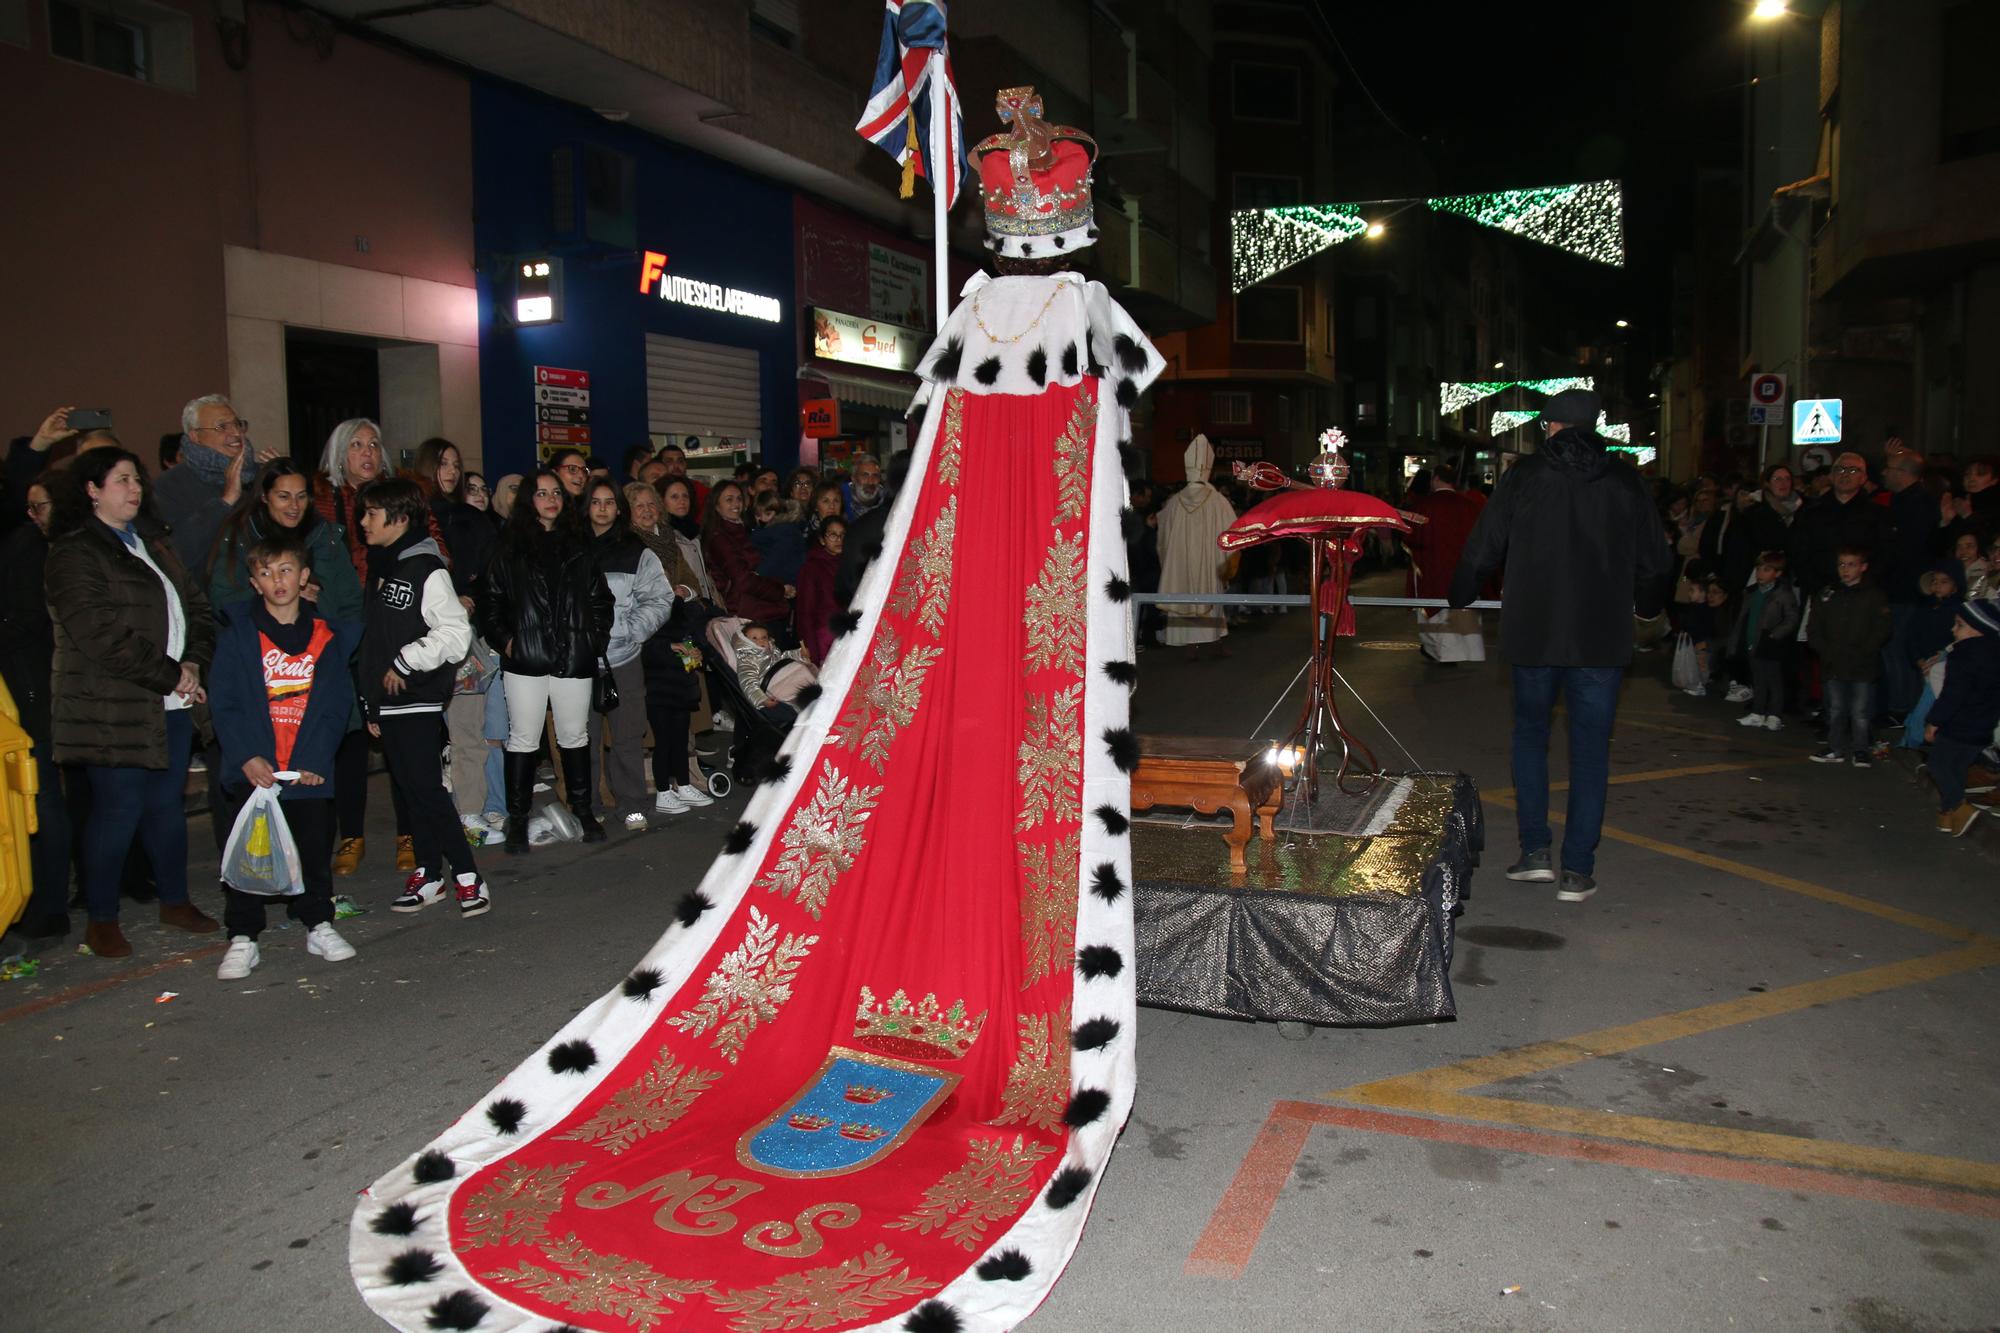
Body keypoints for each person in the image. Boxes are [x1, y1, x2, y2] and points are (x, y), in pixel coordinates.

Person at [1448, 388, 1673, 903]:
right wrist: (1646, 607)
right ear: (1594, 428)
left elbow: (1485, 543)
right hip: (1601, 635)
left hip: (1535, 631)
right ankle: (1578, 869)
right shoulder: (1624, 479)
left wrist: (1460, 591)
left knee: (1530, 737)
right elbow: (1656, 560)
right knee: (1590, 751)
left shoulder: (1525, 475)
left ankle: (1534, 853)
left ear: (1549, 426)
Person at [45, 448, 221, 957]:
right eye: (122, 479)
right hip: (112, 705)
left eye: (137, 479)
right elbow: (101, 635)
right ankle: (102, 917)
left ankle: (175, 900)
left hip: (171, 699)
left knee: (166, 806)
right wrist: (172, 674)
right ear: (92, 489)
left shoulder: (153, 542)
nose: (135, 488)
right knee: (118, 808)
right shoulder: (76, 552)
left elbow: (197, 608)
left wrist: (193, 662)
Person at [206, 534, 362, 979]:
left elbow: (336, 705)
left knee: (313, 850)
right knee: (249, 855)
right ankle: (243, 936)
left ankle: (318, 923)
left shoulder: (326, 637)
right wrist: (245, 756)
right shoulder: (239, 636)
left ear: (304, 577)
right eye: (266, 572)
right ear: (254, 583)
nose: (277, 580)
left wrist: (317, 759)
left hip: (306, 770)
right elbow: (224, 702)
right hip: (255, 771)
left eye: (286, 570)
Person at [314, 419, 444, 876]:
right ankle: (351, 835)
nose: (367, 452)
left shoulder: (402, 496)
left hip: (397, 622)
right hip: (344, 624)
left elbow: (434, 547)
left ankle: (409, 834)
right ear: (339, 454)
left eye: (373, 444)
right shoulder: (321, 498)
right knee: (352, 735)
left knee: (400, 738)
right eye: (356, 445)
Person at [355, 478, 488, 915]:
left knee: (428, 790)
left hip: (417, 695)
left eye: (372, 513)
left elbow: (454, 633)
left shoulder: (426, 567)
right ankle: (430, 874)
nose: (363, 522)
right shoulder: (383, 565)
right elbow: (374, 640)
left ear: (399, 517)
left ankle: (468, 875)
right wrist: (371, 701)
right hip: (389, 700)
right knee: (410, 791)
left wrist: (406, 662)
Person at [477, 468, 614, 852]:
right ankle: (518, 819)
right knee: (523, 738)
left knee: (575, 735)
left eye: (556, 493)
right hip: (526, 656)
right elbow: (490, 602)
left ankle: (583, 810)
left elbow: (601, 599)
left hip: (574, 654)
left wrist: (593, 639)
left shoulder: (580, 545)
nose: (551, 499)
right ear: (528, 500)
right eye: (541, 493)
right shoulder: (509, 548)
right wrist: (508, 641)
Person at [0, 479, 70, 937]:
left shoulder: (29, 547)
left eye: (39, 506)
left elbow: (26, 620)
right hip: (27, 684)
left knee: (40, 797)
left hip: (28, 687)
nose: (33, 513)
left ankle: (47, 904)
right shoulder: (26, 544)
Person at [583, 478, 672, 829]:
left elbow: (660, 598)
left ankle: (633, 803)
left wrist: (631, 631)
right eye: (595, 501)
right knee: (582, 738)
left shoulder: (636, 551)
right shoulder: (569, 547)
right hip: (578, 659)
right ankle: (587, 805)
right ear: (586, 506)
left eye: (609, 501)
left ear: (619, 508)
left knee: (628, 736)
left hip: (623, 657)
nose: (602, 508)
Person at [207, 459, 363, 622]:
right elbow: (224, 602)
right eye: (284, 497)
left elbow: (351, 602)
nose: (294, 506)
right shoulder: (241, 535)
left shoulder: (323, 535)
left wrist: (324, 609)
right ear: (265, 496)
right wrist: (282, 595)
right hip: (255, 633)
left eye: (301, 497)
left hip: (322, 633)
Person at [154, 394, 278, 572]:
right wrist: (225, 502)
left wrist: (283, 482)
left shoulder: (261, 475)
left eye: (238, 424)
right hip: (205, 587)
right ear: (195, 436)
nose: (236, 433)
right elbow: (175, 553)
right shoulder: (169, 485)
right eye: (222, 427)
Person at [1806, 546, 1893, 766]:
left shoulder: (1874, 595)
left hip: (1862, 664)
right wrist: (1824, 650)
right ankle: (1835, 747)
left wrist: (1865, 650)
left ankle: (1860, 749)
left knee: (1860, 711)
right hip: (1833, 662)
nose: (1845, 569)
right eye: (1841, 564)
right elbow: (1814, 626)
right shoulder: (1828, 594)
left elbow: (1883, 627)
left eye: (1851, 564)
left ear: (1863, 567)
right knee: (1835, 709)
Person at [1155, 435, 1237, 652]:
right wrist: (1225, 563)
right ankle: (1214, 642)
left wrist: (1168, 557)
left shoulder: (1174, 502)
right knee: (1209, 597)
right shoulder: (1218, 501)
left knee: (1182, 590)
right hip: (1209, 563)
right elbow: (1233, 532)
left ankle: (1190, 646)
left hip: (1180, 563)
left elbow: (1163, 536)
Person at [1925, 597, 2000, 836]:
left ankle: (1958, 806)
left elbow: (1952, 694)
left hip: (1958, 726)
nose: (1953, 629)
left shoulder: (1964, 656)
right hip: (1982, 727)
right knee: (1956, 768)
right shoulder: (1994, 655)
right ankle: (1948, 814)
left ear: (1977, 629)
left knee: (1938, 765)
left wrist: (1934, 721)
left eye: (1959, 625)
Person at [1404, 462, 1487, 663]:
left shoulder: (1425, 505)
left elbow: (1412, 536)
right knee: (1464, 609)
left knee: (1436, 609)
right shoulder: (1470, 506)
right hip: (1464, 570)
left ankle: (1438, 652)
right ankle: (1468, 652)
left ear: (1436, 479)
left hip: (1433, 568)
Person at [702, 479, 793, 626]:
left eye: (739, 498)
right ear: (716, 506)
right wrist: (779, 590)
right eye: (729, 499)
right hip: (745, 612)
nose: (736, 504)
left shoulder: (740, 530)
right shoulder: (719, 537)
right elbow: (743, 580)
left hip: (757, 607)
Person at [1731, 551, 1800, 729]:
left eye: (1766, 570)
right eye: (1759, 569)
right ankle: (1757, 712)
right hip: (1753, 641)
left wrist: (1774, 635)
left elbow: (1792, 618)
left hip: (1771, 644)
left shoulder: (1783, 594)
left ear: (1777, 573)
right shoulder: (1751, 592)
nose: (1760, 573)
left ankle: (1775, 715)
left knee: (1773, 680)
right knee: (1758, 679)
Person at [731, 620, 815, 726]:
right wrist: (761, 699)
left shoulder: (771, 651)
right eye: (754, 638)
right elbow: (748, 683)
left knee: (804, 670)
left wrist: (799, 653)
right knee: (803, 675)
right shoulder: (748, 660)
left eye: (764, 637)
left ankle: (813, 700)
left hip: (786, 680)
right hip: (772, 688)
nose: (761, 641)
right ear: (746, 641)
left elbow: (783, 657)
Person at [794, 515, 845, 663]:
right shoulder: (811, 568)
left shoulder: (850, 563)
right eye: (832, 535)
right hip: (825, 637)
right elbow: (805, 612)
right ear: (822, 540)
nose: (839, 539)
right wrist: (811, 650)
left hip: (848, 633)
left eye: (843, 535)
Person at [750, 489, 809, 585]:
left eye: (768, 514)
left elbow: (777, 557)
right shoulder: (764, 529)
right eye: (758, 515)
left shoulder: (786, 531)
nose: (762, 518)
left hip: (786, 581)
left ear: (778, 512)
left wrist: (758, 574)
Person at [841, 452, 890, 521]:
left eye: (875, 476)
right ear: (853, 479)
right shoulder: (841, 500)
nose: (870, 482)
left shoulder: (888, 501)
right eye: (865, 476)